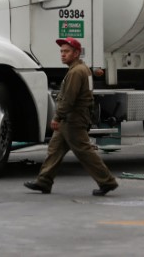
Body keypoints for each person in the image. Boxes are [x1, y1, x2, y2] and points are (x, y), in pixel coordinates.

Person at [24, 37, 119, 196]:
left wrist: (57, 117)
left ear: (76, 53)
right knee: (55, 149)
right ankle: (44, 181)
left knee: (84, 151)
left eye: (66, 51)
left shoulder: (76, 72)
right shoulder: (83, 69)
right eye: (61, 51)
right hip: (73, 117)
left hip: (73, 119)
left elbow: (69, 98)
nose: (62, 54)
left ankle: (107, 181)